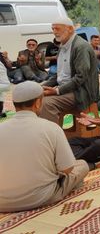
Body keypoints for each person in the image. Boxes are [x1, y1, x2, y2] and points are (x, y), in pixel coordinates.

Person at [0, 81, 88, 212]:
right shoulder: (51, 128)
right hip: (40, 197)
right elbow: (68, 169)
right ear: (37, 103)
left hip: (2, 202)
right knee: (81, 165)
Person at [39, 17, 100, 125]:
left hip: (82, 92)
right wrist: (41, 86)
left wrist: (58, 91)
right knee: (34, 97)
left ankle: (53, 139)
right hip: (67, 89)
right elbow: (60, 74)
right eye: (53, 29)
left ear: (70, 29)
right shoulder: (62, 46)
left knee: (46, 104)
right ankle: (40, 134)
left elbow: (81, 77)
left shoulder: (81, 47)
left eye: (57, 29)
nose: (54, 32)